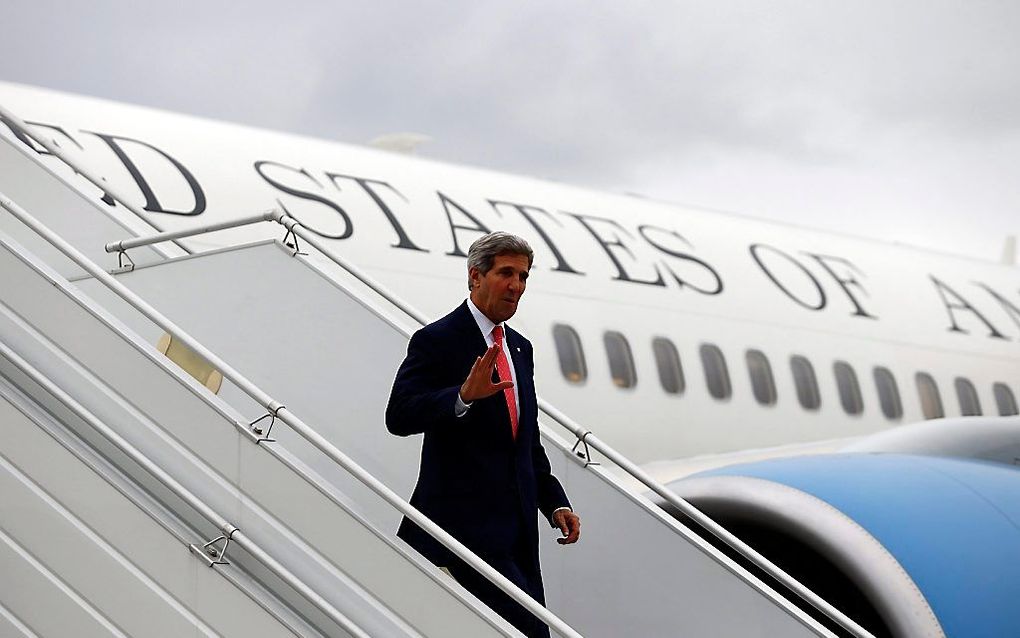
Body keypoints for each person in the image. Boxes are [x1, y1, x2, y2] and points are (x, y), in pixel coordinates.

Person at [386, 231, 581, 638]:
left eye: (524, 276)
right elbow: (399, 415)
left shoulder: (520, 349)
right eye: (506, 273)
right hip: (462, 529)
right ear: (475, 277)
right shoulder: (437, 340)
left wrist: (553, 501)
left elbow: (525, 442)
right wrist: (460, 397)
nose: (517, 286)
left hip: (517, 531)